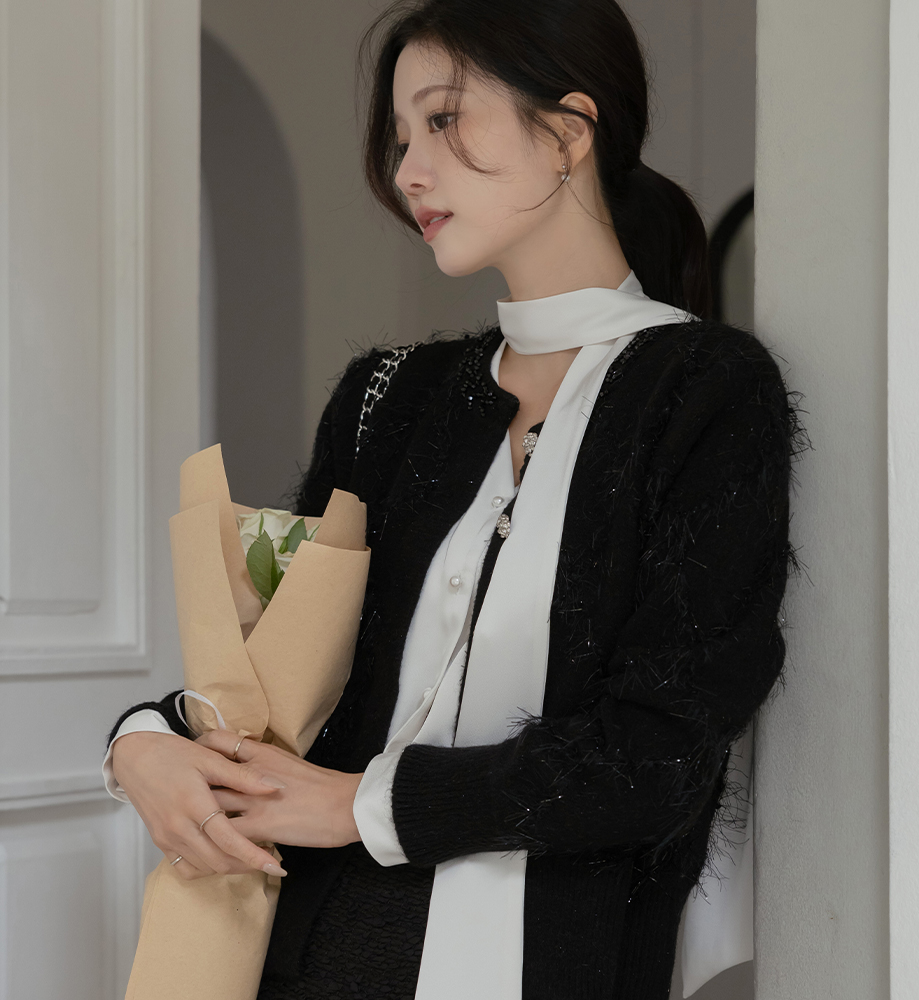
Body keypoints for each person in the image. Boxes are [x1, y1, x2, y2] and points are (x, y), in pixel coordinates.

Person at [106, 1, 798, 996]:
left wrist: (360, 807)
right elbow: (289, 686)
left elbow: (656, 757)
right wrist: (142, 742)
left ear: (567, 132)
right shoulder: (387, 399)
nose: (408, 172)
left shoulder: (706, 394)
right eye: (401, 138)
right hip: (307, 961)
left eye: (442, 120)